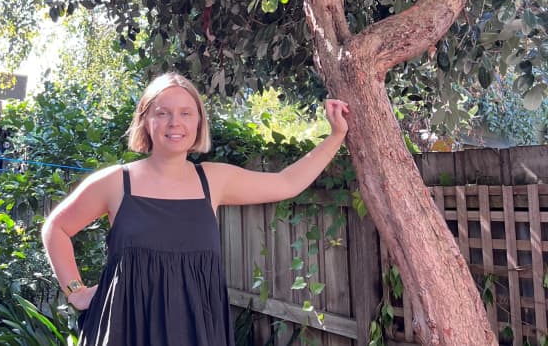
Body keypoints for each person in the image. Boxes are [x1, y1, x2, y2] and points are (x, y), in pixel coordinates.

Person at [41, 72, 349, 346]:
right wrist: (76, 291)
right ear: (146, 121)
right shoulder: (115, 182)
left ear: (198, 122)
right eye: (162, 113)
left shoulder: (213, 180)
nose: (175, 122)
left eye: (186, 113)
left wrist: (335, 136)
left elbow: (286, 183)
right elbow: (56, 229)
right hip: (125, 329)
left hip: (197, 331)